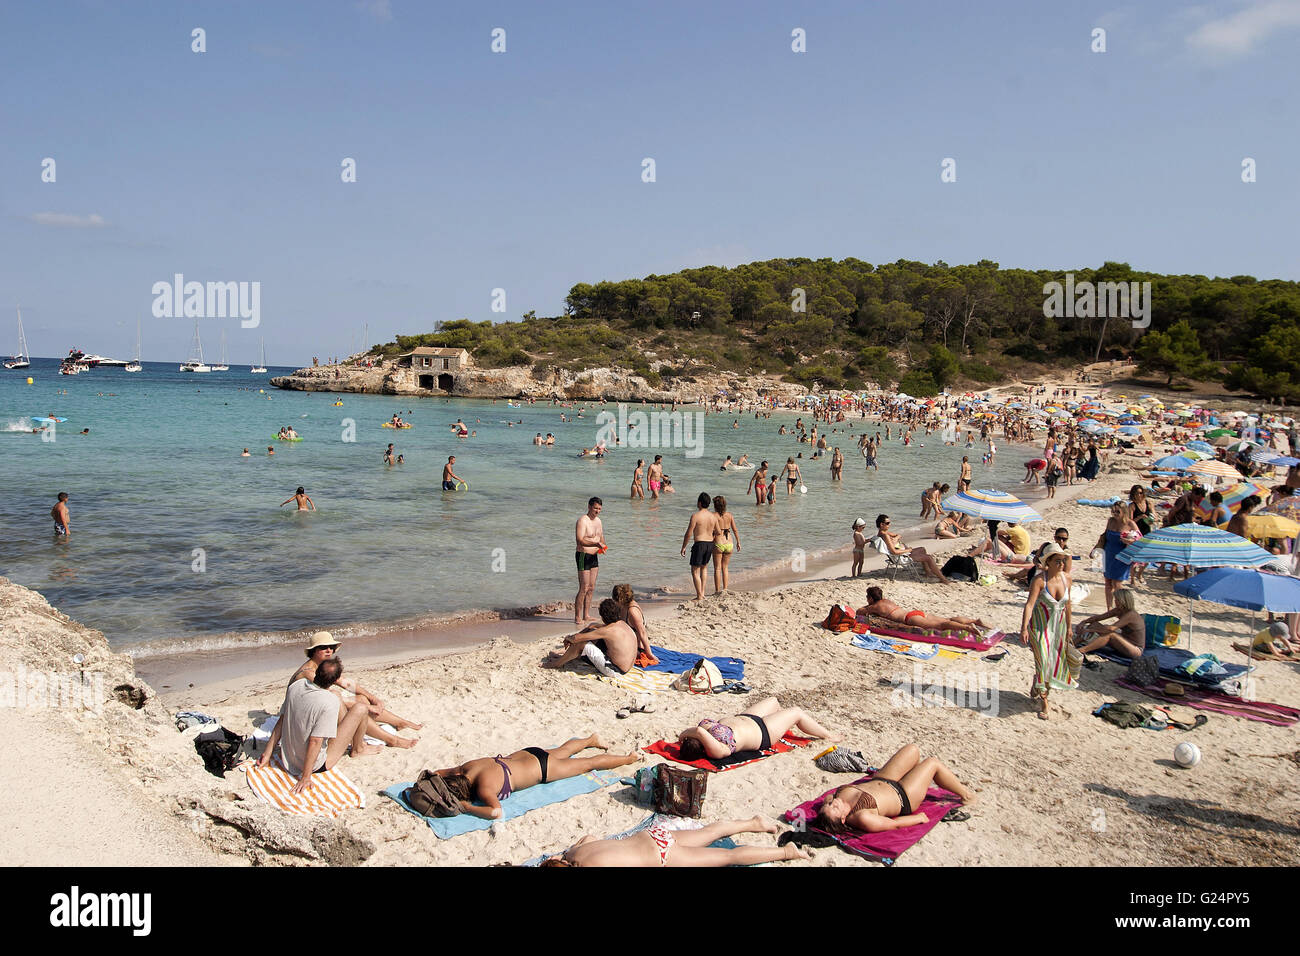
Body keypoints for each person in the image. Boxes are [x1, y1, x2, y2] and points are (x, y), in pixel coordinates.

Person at [423, 734, 641, 820]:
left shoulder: (483, 789)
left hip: (543, 769)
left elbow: (495, 812)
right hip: (527, 753)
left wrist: (466, 807)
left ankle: (629, 758)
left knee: (588, 764)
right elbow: (440, 772)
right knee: (564, 750)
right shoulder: (466, 768)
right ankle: (589, 739)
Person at [257, 659, 375, 793]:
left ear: (316, 672)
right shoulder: (329, 702)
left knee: (337, 699)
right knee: (360, 708)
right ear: (335, 680)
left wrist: (267, 753)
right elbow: (315, 740)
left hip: (289, 758)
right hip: (315, 764)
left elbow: (282, 721)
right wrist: (306, 777)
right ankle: (357, 749)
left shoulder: (295, 687)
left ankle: (357, 745)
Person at [289, 632, 421, 747]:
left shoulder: (323, 666)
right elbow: (329, 698)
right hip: (305, 712)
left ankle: (400, 722)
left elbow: (347, 684)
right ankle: (392, 740)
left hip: (320, 705)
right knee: (357, 709)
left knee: (362, 699)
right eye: (323, 647)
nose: (329, 650)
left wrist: (373, 699)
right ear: (314, 650)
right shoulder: (309, 672)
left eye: (332, 647)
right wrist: (368, 708)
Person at [814, 744, 975, 832]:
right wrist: (919, 818)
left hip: (883, 778)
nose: (833, 803)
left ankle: (915, 774)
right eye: (834, 808)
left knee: (912, 749)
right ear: (843, 819)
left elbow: (826, 803)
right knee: (932, 763)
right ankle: (966, 795)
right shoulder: (862, 818)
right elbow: (894, 824)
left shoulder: (835, 799)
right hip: (904, 796)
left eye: (829, 805)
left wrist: (827, 808)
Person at [544, 816, 809, 867]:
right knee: (709, 833)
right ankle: (754, 824)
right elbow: (589, 837)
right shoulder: (577, 851)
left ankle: (787, 853)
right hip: (653, 836)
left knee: (727, 857)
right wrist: (565, 854)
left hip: (662, 857)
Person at [677, 697, 841, 760]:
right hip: (763, 733)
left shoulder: (704, 733)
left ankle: (780, 723)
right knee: (797, 712)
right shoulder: (717, 750)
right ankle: (828, 735)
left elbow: (699, 732)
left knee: (774, 701)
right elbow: (697, 732)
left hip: (748, 718)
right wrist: (683, 735)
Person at [1019, 544, 1075, 719]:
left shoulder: (1067, 579)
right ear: (1048, 562)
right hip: (1039, 627)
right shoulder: (1039, 581)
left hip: (1058, 628)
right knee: (1043, 662)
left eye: (1063, 560)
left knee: (1054, 663)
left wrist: (1070, 627)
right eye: (1057, 561)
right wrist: (1023, 628)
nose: (1061, 564)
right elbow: (1029, 605)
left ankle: (1038, 683)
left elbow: (1068, 605)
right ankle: (1045, 703)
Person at [544, 598, 639, 672]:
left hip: (616, 670)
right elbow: (594, 627)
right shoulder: (621, 623)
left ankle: (557, 663)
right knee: (591, 629)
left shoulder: (608, 630)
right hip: (627, 666)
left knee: (581, 643)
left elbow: (577, 639)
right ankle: (564, 656)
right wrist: (590, 628)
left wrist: (568, 638)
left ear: (603, 616)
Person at [860, 586, 988, 637]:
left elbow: (859, 612)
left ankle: (968, 627)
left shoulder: (875, 606)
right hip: (915, 612)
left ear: (871, 598)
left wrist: (867, 606)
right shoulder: (886, 601)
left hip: (910, 619)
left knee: (941, 626)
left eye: (867, 597)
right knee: (947, 620)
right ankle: (975, 621)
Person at [874, 514, 948, 581]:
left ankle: (928, 573)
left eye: (889, 523)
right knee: (928, 557)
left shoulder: (882, 534)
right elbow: (894, 552)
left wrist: (895, 539)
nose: (889, 525)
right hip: (901, 557)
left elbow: (898, 535)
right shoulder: (885, 536)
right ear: (881, 524)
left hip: (901, 554)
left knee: (922, 549)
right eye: (887, 523)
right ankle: (943, 579)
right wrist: (907, 550)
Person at [1095, 501, 1141, 607]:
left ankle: (1122, 607)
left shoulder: (1130, 524)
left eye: (1117, 511)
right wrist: (1097, 549)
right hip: (1109, 554)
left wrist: (1128, 541)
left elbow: (1139, 540)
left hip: (1123, 556)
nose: (1114, 513)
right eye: (1113, 511)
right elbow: (1104, 536)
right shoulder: (1111, 521)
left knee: (1117, 583)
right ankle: (1109, 608)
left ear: (1124, 511)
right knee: (1108, 583)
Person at [1074, 587, 1143, 658]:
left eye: (1117, 600)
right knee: (1094, 624)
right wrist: (1083, 622)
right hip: (1124, 641)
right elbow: (1098, 618)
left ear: (1123, 601)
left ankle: (1081, 650)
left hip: (1135, 649)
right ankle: (1073, 644)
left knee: (1110, 634)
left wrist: (1090, 630)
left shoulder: (1131, 614)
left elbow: (1111, 628)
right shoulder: (1119, 610)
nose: (1115, 602)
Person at [681, 492, 718, 601]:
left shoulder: (696, 516)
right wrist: (712, 538)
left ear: (700, 503)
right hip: (710, 544)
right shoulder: (713, 516)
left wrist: (683, 547)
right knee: (704, 568)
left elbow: (689, 533)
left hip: (700, 544)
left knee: (695, 570)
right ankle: (702, 592)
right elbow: (718, 531)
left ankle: (699, 595)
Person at [574, 497, 605, 623]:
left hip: (594, 556)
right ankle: (577, 616)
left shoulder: (598, 521)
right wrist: (596, 545)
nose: (597, 511)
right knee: (584, 587)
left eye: (599, 509)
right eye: (595, 508)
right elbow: (580, 540)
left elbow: (601, 537)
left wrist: (603, 546)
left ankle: (586, 615)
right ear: (589, 507)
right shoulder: (583, 521)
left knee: (591, 587)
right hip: (583, 556)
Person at [611, 583, 653, 658]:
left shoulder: (632, 611)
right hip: (627, 643)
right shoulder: (623, 606)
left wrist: (649, 653)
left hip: (636, 648)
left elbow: (642, 633)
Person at [710, 496, 741, 593]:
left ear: (715, 505)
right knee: (725, 567)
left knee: (717, 568)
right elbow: (735, 529)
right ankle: (725, 589)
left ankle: (717, 591)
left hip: (718, 542)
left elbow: (711, 531)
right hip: (729, 542)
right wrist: (738, 542)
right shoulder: (729, 515)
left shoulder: (713, 516)